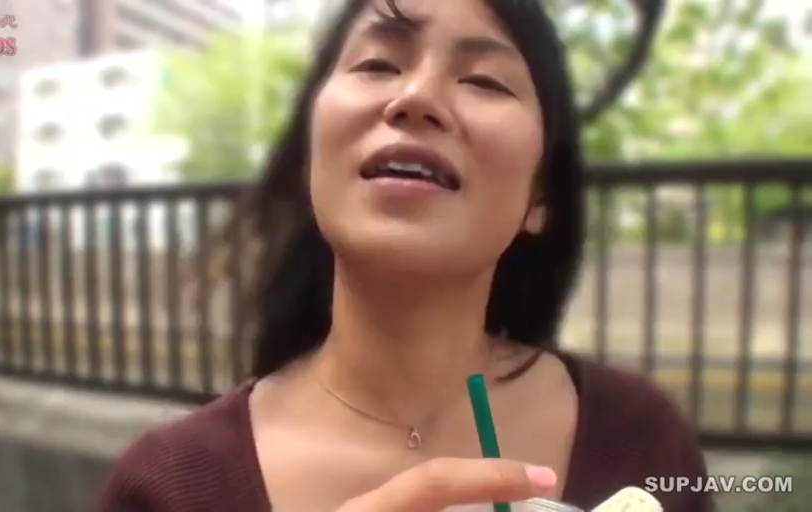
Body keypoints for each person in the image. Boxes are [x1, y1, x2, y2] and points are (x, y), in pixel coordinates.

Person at [97, 0, 713, 510]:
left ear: (540, 196)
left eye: (484, 80)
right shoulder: (169, 487)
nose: (417, 96)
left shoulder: (643, 440)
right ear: (312, 160)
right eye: (377, 64)